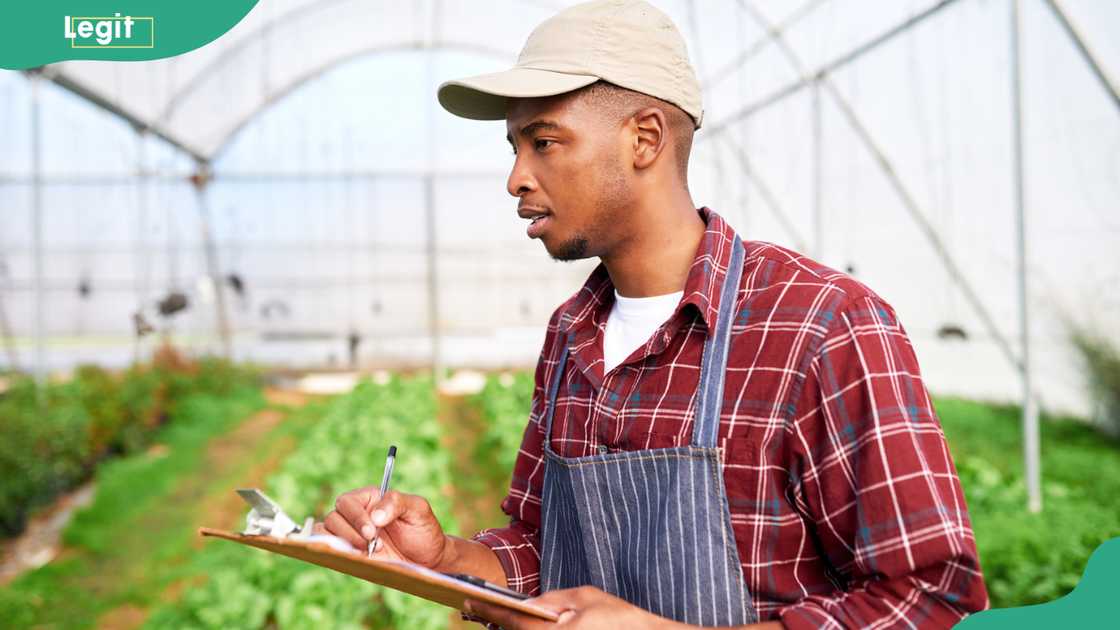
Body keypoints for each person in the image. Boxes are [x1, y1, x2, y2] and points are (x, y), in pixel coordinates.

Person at [319, 1, 989, 627]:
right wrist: (445, 560)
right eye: (514, 147)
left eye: (544, 142)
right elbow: (538, 550)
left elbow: (932, 596)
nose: (516, 177)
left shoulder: (818, 326)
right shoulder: (570, 334)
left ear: (644, 139)